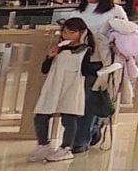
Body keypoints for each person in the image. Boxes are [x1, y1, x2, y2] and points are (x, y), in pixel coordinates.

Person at [70, 0, 131, 148]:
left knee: (90, 99)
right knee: (77, 100)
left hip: (100, 61)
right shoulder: (77, 12)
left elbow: (125, 35)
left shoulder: (115, 11)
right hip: (77, 60)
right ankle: (89, 131)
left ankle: (82, 139)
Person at [28, 17, 100, 162]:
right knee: (41, 115)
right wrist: (49, 57)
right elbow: (45, 69)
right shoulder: (59, 49)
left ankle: (66, 147)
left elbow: (86, 70)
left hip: (71, 87)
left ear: (81, 33)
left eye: (72, 33)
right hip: (53, 86)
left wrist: (100, 68)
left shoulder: (85, 50)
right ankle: (43, 145)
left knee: (69, 117)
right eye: (65, 32)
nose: (67, 36)